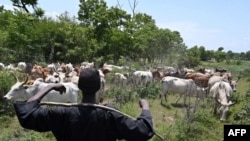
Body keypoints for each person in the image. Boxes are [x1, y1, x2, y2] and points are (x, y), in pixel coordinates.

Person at [14, 67, 155, 141]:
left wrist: (48, 87)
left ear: (79, 87)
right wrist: (146, 107)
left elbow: (27, 114)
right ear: (100, 87)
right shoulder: (109, 114)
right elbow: (143, 131)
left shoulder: (61, 113)